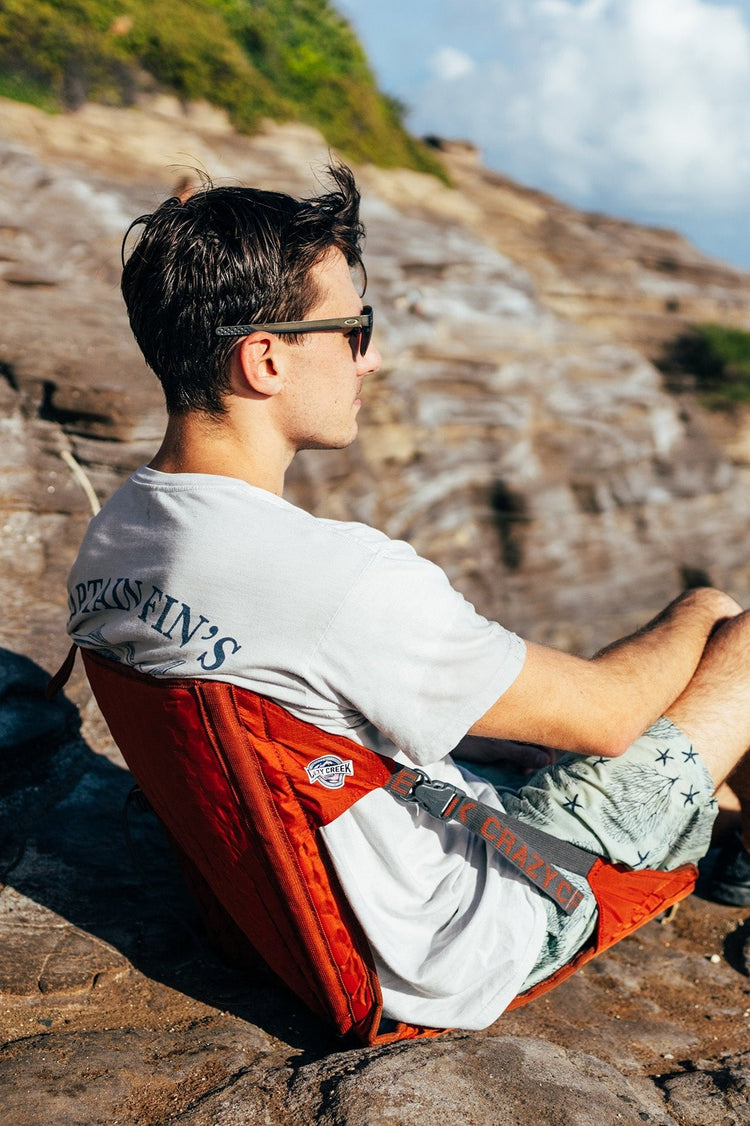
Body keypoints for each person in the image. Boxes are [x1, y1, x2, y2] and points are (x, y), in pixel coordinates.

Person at [67, 163, 750, 1032]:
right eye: (355, 329)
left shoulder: (115, 535)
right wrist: (695, 609)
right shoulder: (338, 581)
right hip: (465, 928)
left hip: (302, 912)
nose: (373, 357)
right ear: (265, 358)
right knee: (724, 623)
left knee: (663, 728)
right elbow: (609, 718)